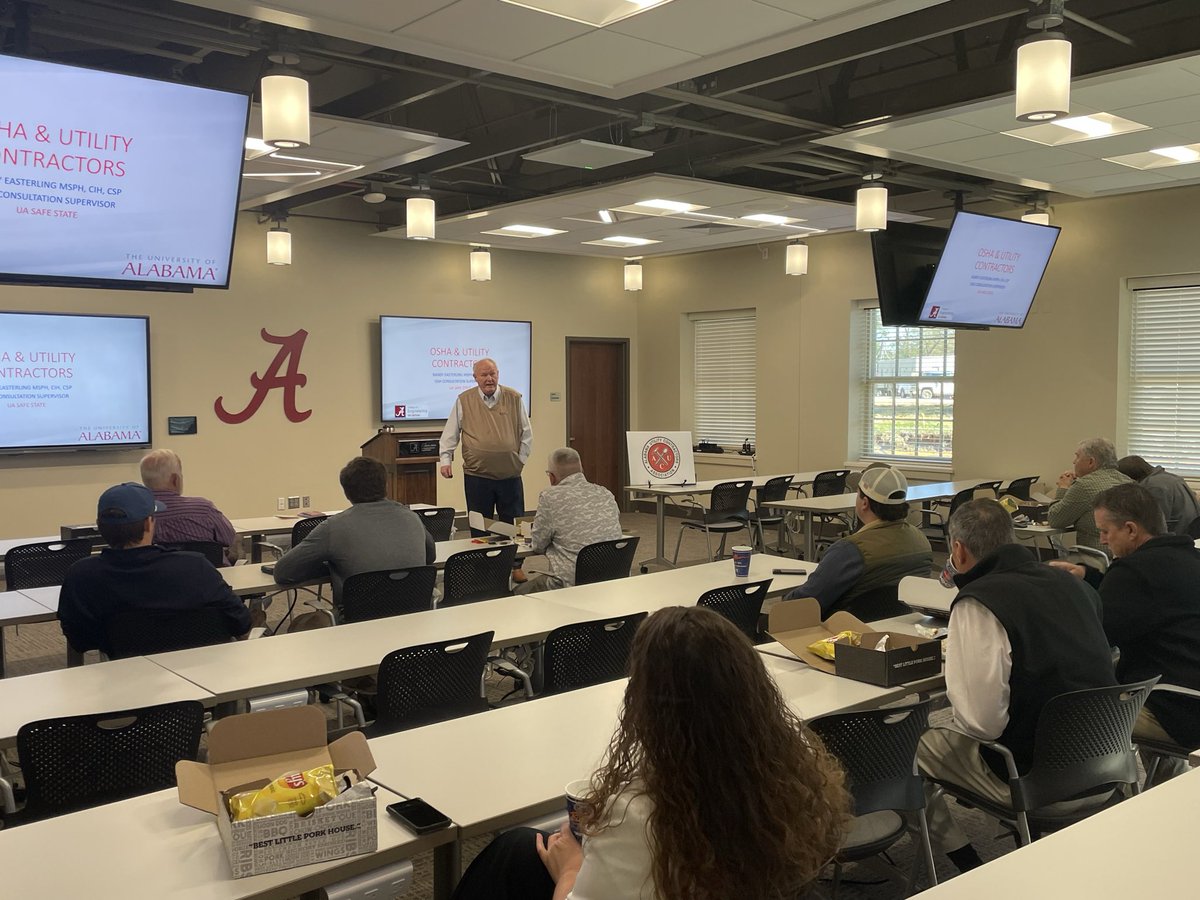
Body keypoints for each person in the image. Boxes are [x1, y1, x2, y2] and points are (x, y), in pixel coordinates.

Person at [450, 605, 848, 900]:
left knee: (514, 856)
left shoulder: (640, 813)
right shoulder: (792, 763)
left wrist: (570, 870)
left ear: (645, 701)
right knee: (518, 847)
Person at [917, 499, 1117, 872]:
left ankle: (968, 865)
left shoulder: (980, 603)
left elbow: (982, 725)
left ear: (958, 549)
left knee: (913, 748)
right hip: (1108, 763)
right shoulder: (1070, 583)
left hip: (1040, 782)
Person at [1050, 483, 1200, 776]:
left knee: (1066, 709)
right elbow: (1146, 602)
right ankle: (1164, 783)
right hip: (1187, 691)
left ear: (1131, 529)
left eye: (1105, 531)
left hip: (1179, 710)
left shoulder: (1133, 572)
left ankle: (1103, 790)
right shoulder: (1189, 557)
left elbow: (1094, 638)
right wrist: (1089, 576)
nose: (1102, 540)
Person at [59, 482, 252, 657]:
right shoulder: (195, 567)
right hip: (202, 673)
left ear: (99, 526)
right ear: (149, 523)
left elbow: (79, 640)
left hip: (124, 678)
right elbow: (241, 621)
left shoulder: (82, 575)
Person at [273, 457, 435, 604]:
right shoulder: (412, 517)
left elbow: (283, 572)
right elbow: (430, 556)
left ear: (346, 492)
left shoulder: (334, 527)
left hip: (359, 619)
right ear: (386, 485)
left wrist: (333, 565)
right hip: (414, 614)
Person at [783, 466, 932, 616]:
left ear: (864, 503)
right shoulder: (921, 540)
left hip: (846, 628)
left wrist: (785, 599)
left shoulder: (849, 550)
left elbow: (804, 602)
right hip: (902, 625)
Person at [439, 357, 532, 580]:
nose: (489, 379)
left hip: (509, 475)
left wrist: (519, 461)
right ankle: (481, 567)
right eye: (484, 374)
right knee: (479, 522)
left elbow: (526, 434)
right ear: (475, 378)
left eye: (493, 374)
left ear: (498, 375)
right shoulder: (464, 400)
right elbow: (451, 433)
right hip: (477, 475)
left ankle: (515, 566)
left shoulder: (514, 398)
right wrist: (445, 460)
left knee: (514, 522)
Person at [514, 448, 623, 595]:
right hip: (613, 580)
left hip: (571, 584)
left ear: (552, 477)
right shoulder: (605, 493)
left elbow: (538, 545)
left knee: (515, 594)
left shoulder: (550, 497)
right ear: (581, 471)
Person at [140, 448, 239, 565]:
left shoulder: (138, 515)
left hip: (157, 574)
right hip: (208, 573)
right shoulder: (204, 509)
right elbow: (228, 538)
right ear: (175, 479)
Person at [1046, 437, 1131, 549]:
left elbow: (1055, 520)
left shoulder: (1084, 485)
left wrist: (1063, 488)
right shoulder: (1129, 482)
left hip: (1097, 555)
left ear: (1091, 462)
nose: (1074, 461)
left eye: (1077, 456)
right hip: (1126, 552)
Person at [1116, 455, 1200, 535]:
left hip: (1177, 535)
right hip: (1190, 532)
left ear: (1130, 478)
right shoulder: (1172, 478)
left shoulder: (1155, 487)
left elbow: (1155, 524)